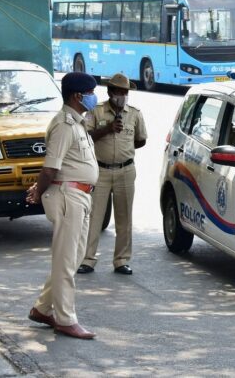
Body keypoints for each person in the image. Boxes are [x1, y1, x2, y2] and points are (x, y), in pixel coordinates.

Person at [25, 72, 100, 340]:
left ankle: (43, 308)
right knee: (66, 260)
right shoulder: (64, 125)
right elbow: (50, 168)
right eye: (91, 93)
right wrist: (38, 191)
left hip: (80, 196)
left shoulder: (78, 123)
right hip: (68, 196)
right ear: (78, 96)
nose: (94, 97)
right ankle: (66, 319)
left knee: (74, 257)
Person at [78, 73, 147, 275]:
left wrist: (125, 150)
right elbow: (85, 137)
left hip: (126, 170)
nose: (122, 96)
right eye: (119, 92)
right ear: (110, 92)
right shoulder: (96, 111)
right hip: (100, 170)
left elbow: (141, 139)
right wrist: (108, 129)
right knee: (94, 217)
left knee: (124, 218)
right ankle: (87, 260)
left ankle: (121, 260)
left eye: (125, 92)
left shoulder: (135, 113)